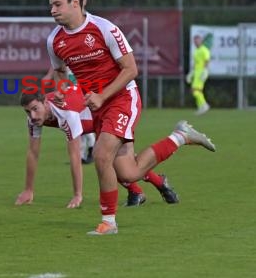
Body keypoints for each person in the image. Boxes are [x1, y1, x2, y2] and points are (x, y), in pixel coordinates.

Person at [45, 0, 216, 235]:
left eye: (58, 4)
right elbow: (59, 72)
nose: (53, 10)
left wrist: (102, 96)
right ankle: (180, 137)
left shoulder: (104, 29)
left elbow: (130, 69)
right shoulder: (54, 41)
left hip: (123, 98)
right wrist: (62, 92)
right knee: (128, 173)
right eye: (51, 6)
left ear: (76, 3)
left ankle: (108, 222)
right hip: (99, 106)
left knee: (102, 155)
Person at [15, 89, 180, 208]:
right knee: (117, 165)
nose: (33, 116)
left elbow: (75, 156)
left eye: (35, 109)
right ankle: (146, 188)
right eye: (28, 112)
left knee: (114, 163)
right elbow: (33, 153)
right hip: (96, 123)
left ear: (45, 102)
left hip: (108, 116)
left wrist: (77, 195)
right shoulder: (34, 118)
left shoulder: (67, 113)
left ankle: (153, 182)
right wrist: (28, 190)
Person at [42, 66, 95, 164]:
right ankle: (82, 156)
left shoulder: (79, 60)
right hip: (73, 93)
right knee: (79, 126)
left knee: (85, 124)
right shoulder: (66, 59)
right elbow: (55, 66)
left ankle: (91, 149)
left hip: (82, 93)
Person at [186, 34, 211, 115]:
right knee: (195, 91)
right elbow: (195, 63)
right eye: (195, 41)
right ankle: (201, 106)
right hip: (196, 73)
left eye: (197, 40)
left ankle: (204, 105)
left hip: (201, 73)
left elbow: (206, 61)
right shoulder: (196, 51)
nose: (196, 42)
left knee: (196, 90)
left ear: (201, 41)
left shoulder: (204, 50)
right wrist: (191, 73)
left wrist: (205, 71)